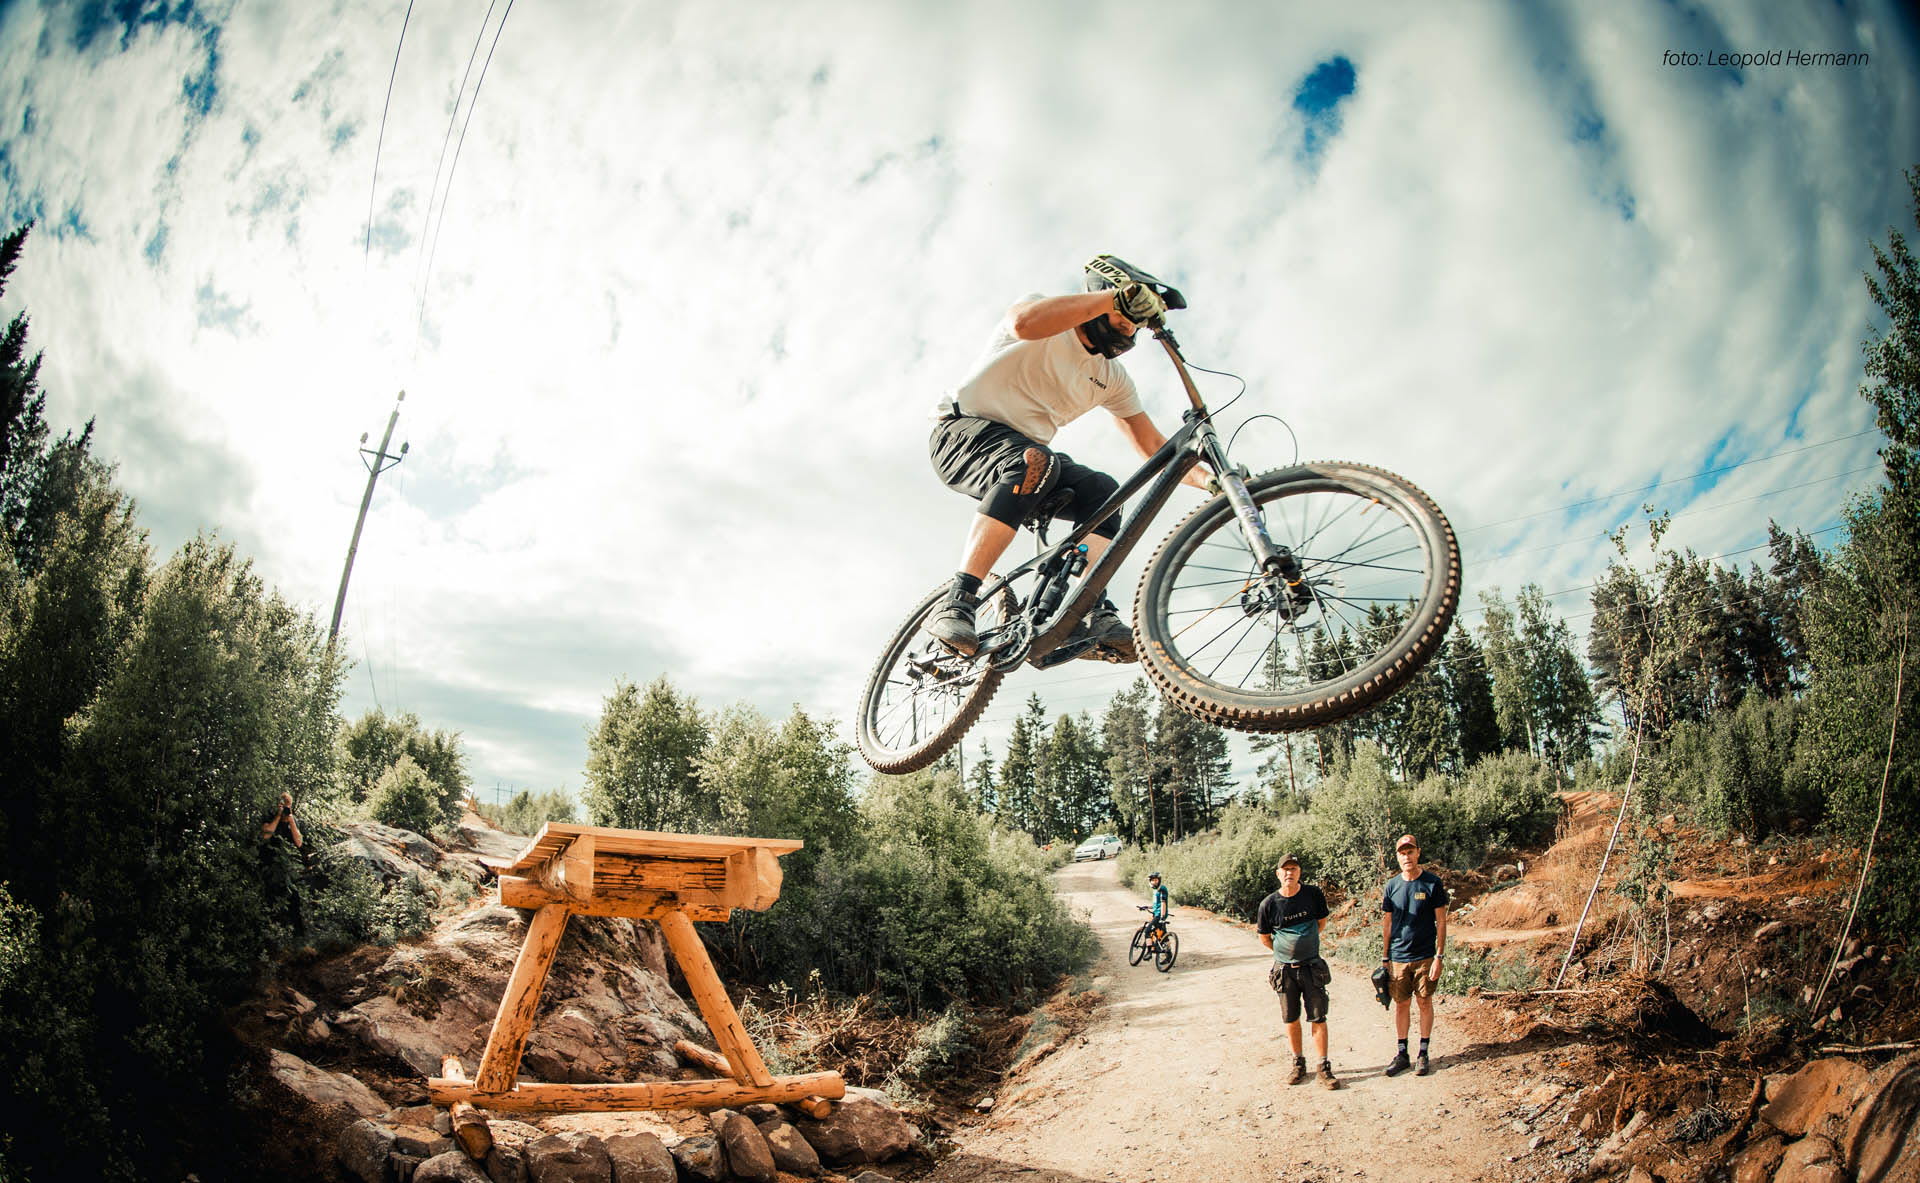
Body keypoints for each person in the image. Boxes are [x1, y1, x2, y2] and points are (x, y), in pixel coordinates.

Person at [925, 258, 1213, 660]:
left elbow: (1152, 445)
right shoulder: (1047, 317)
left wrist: (1209, 482)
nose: (1131, 324)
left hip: (1028, 460)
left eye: (1137, 321)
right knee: (1035, 461)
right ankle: (957, 601)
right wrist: (1117, 296)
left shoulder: (1111, 378)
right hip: (964, 434)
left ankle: (1083, 610)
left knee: (1104, 491)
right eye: (1127, 312)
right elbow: (1024, 323)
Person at [1256, 854, 1339, 1089]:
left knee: (1318, 1017)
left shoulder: (1313, 895)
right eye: (1285, 869)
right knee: (1291, 1018)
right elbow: (1264, 938)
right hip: (1285, 971)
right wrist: (1285, 951)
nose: (1289, 873)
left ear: (1300, 872)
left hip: (1312, 968)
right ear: (1278, 874)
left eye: (1293, 868)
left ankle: (1323, 1066)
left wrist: (1303, 945)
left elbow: (1321, 923)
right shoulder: (1269, 904)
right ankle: (1298, 1064)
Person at [1380, 833, 1449, 1077]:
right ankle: (1402, 1054)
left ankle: (1423, 1053)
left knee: (1424, 1002)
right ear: (1397, 857)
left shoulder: (1432, 883)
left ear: (1418, 852)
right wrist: (1385, 958)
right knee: (1401, 1005)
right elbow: (1387, 924)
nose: (1406, 856)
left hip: (1425, 956)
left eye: (1410, 851)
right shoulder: (1392, 886)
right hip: (1398, 957)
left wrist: (1439, 957)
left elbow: (1441, 922)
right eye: (1402, 853)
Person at [259, 791, 307, 937]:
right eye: (283, 805)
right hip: (269, 864)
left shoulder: (293, 819)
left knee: (294, 899)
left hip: (288, 867)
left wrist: (290, 819)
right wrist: (279, 816)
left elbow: (299, 842)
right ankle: (272, 936)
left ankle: (298, 937)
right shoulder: (269, 817)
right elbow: (266, 834)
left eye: (288, 805)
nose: (286, 808)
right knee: (270, 900)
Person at [1143, 870, 1170, 941]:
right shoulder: (1155, 890)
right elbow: (1156, 904)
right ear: (1150, 881)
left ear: (1159, 880)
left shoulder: (1161, 889)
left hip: (1159, 914)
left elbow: (1163, 903)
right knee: (1163, 935)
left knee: (1147, 931)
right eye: (1153, 880)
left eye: (1156, 880)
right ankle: (1169, 951)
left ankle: (1149, 951)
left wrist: (1162, 917)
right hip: (1157, 913)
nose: (1155, 882)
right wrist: (1148, 907)